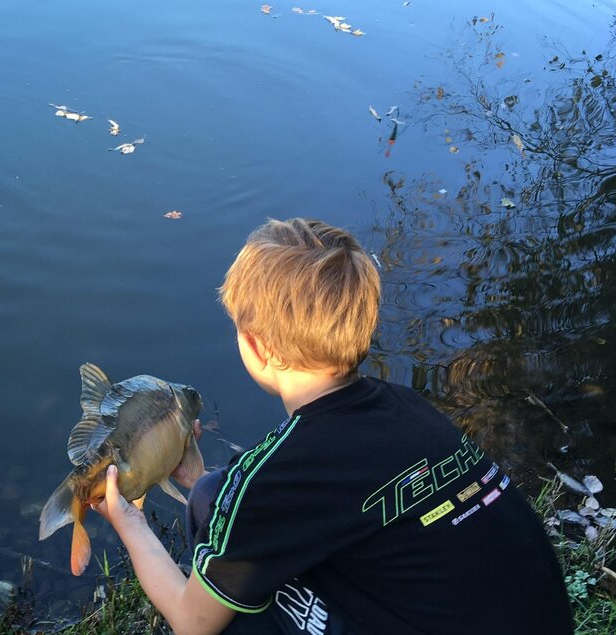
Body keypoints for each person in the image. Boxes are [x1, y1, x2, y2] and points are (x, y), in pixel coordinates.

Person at [90, 218, 573, 634]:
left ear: (257, 347)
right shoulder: (408, 409)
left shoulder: (276, 477)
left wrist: (129, 521)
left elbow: (191, 622)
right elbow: (320, 497)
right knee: (212, 496)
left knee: (232, 573)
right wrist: (202, 483)